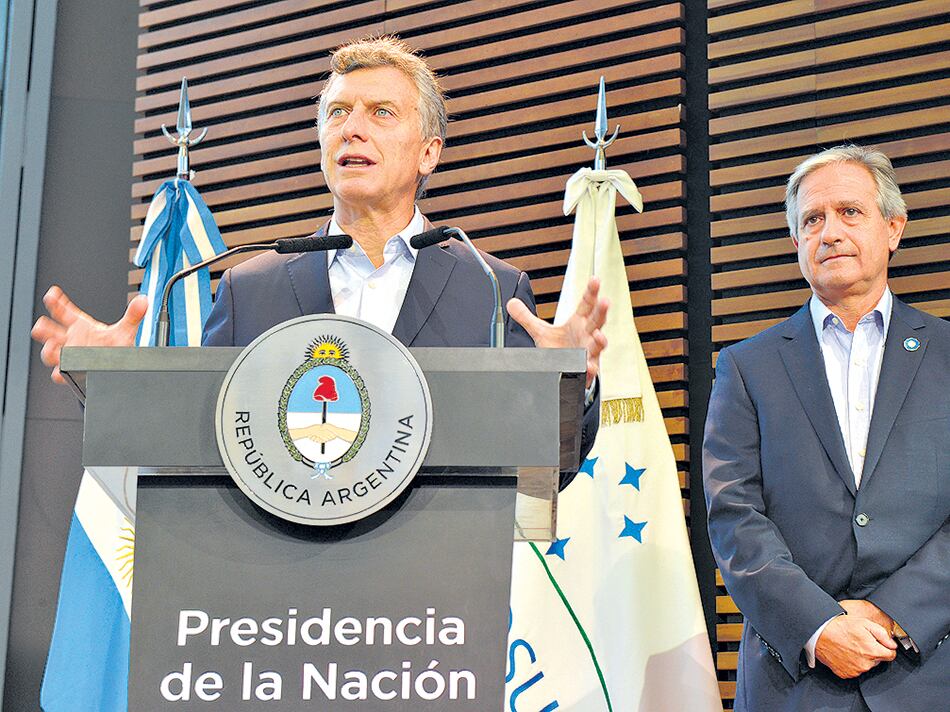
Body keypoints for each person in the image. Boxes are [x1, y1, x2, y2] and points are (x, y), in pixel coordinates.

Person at [32, 36, 606, 467]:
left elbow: (547, 467)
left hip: (436, 603)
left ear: (429, 153)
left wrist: (569, 386)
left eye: (382, 113)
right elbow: (191, 447)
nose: (352, 128)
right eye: (338, 113)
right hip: (279, 603)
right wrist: (113, 382)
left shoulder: (491, 288)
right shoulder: (249, 286)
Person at [703, 144, 950, 711]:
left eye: (849, 212)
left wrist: (892, 613)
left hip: (930, 670)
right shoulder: (746, 366)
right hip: (795, 677)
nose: (829, 232)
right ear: (796, 244)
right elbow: (733, 514)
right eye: (812, 219)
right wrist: (819, 625)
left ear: (893, 228)